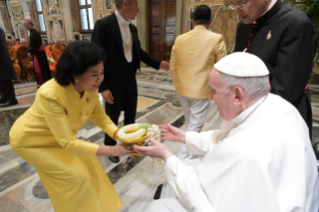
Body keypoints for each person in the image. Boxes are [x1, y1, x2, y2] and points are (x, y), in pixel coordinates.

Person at [136, 53, 319, 212]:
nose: (209, 97)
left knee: (157, 207)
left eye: (213, 91)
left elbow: (202, 199)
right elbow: (229, 135)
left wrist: (167, 156)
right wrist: (185, 136)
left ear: (237, 95)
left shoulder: (245, 151)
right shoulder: (278, 105)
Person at [10, 41, 136, 212]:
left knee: (91, 169)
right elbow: (68, 142)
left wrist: (124, 136)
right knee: (75, 178)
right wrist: (112, 150)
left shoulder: (90, 86)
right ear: (76, 74)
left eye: (102, 72)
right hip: (31, 142)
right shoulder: (50, 94)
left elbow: (101, 118)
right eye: (94, 74)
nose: (100, 79)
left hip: (59, 139)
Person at [91, 0, 170, 163]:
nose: (138, 9)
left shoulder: (132, 27)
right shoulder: (103, 25)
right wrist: (103, 87)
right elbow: (95, 57)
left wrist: (158, 64)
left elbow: (138, 52)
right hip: (112, 82)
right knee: (111, 118)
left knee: (130, 116)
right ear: (125, 4)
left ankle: (129, 144)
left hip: (130, 79)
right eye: (136, 5)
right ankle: (111, 148)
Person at [232, 0, 314, 138]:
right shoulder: (244, 25)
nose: (237, 11)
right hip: (247, 115)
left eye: (242, 3)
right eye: (232, 5)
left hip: (281, 120)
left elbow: (286, 90)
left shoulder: (295, 23)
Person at [170, 5, 226, 159]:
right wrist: (216, 91)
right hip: (202, 91)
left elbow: (172, 66)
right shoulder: (216, 38)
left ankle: (191, 153)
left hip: (182, 89)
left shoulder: (180, 38)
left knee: (190, 123)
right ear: (210, 20)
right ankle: (180, 161)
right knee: (194, 127)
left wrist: (177, 83)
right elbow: (221, 68)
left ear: (193, 21)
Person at [24, 19, 51, 86]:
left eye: (25, 25)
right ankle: (41, 82)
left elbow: (36, 44)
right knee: (39, 68)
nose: (25, 27)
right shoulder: (32, 32)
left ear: (29, 25)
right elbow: (31, 44)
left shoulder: (35, 33)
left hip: (39, 54)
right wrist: (29, 51)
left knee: (41, 68)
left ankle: (44, 82)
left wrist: (31, 52)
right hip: (37, 53)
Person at [0, 27, 18, 107]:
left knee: (5, 78)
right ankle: (4, 97)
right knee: (1, 80)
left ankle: (12, 99)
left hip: (1, 58)